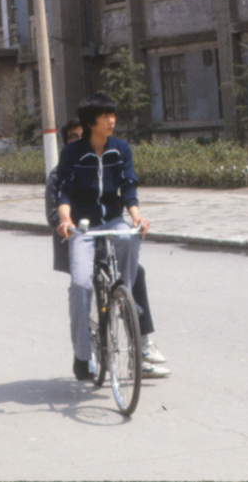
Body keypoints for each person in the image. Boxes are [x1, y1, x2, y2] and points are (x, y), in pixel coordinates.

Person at [47, 117, 169, 377]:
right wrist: (66, 224)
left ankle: (142, 345)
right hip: (78, 241)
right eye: (73, 137)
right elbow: (56, 213)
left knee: (135, 274)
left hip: (109, 235)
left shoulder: (114, 153)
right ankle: (84, 353)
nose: (80, 140)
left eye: (82, 135)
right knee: (82, 285)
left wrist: (135, 217)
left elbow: (126, 188)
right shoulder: (61, 172)